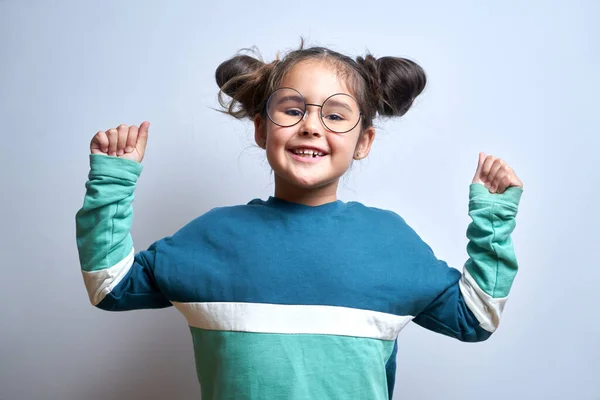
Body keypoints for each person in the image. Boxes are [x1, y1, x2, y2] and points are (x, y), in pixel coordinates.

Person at [75, 44, 524, 400]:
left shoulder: (390, 244)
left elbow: (475, 317)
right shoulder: (211, 238)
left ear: (364, 140)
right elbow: (111, 286)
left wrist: (493, 218)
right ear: (260, 129)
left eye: (334, 115)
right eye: (292, 110)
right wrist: (112, 184)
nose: (311, 126)